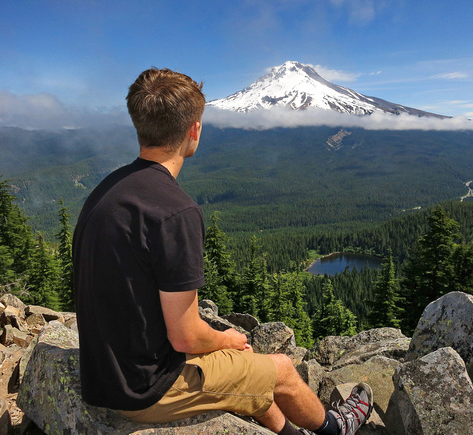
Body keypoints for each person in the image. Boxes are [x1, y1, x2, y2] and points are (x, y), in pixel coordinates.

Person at [72, 67, 373, 435]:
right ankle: (334, 427)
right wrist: (226, 339)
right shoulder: (174, 210)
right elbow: (185, 337)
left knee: (238, 363)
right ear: (193, 130)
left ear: (140, 125)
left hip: (104, 374)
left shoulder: (108, 190)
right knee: (279, 369)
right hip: (146, 390)